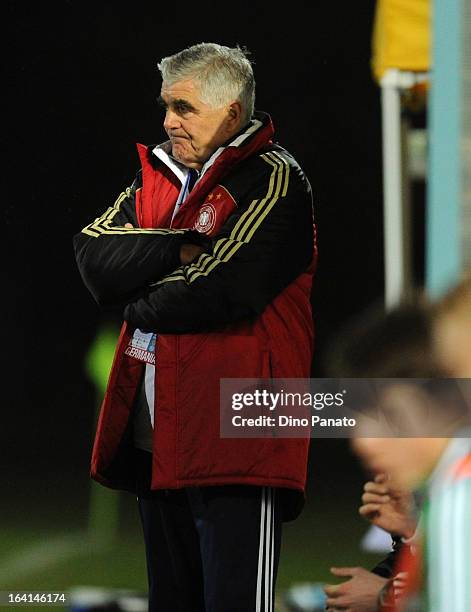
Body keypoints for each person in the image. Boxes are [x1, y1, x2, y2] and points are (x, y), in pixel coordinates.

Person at [74, 42, 316, 612]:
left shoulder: (276, 177)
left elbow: (219, 288)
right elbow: (91, 256)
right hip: (160, 436)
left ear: (231, 112)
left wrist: (130, 296)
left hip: (240, 432)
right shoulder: (156, 176)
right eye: (166, 106)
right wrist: (175, 248)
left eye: (183, 108)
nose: (167, 121)